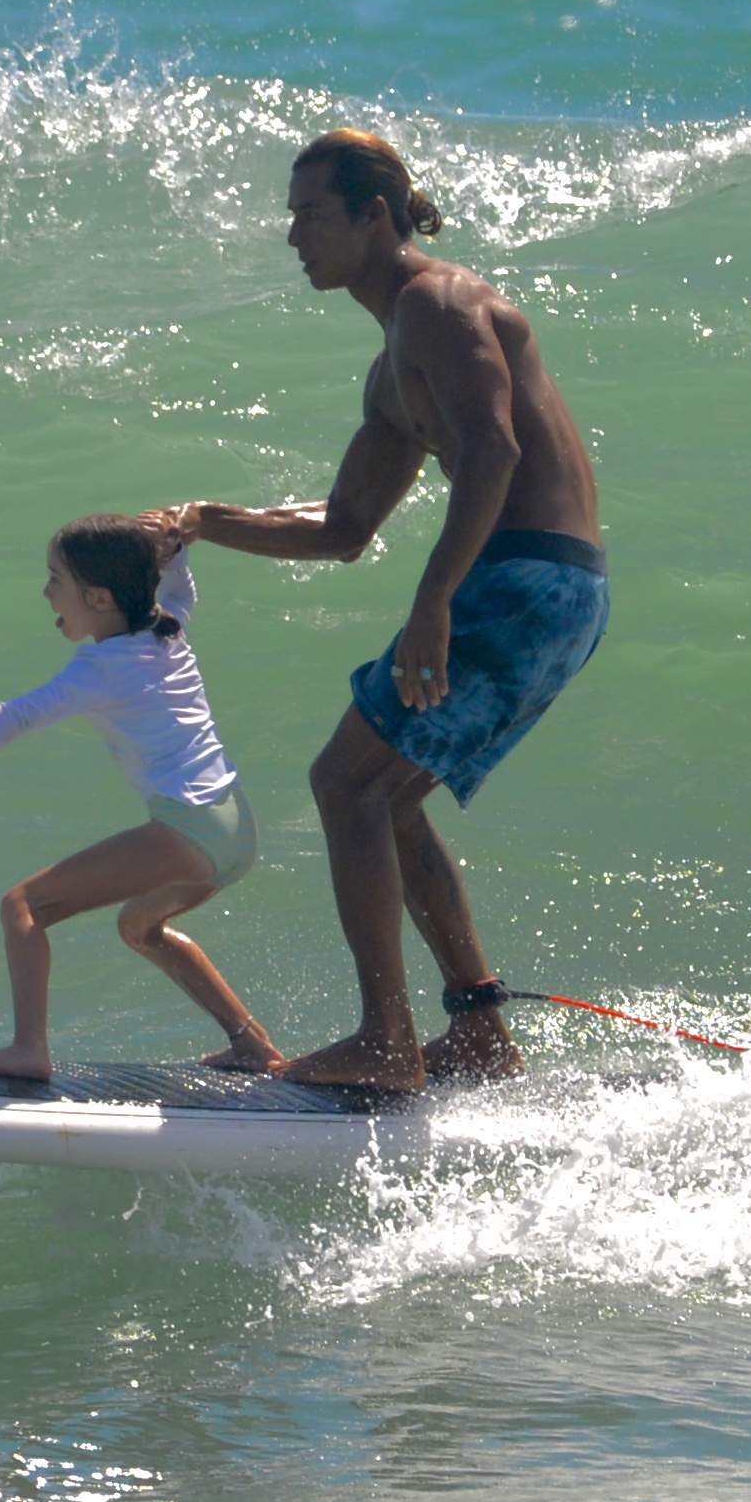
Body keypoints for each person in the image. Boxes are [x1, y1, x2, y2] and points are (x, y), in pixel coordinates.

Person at [149, 129, 607, 1096]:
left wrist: (434, 598)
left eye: (310, 214)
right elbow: (344, 527)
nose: (292, 237)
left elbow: (493, 450)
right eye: (290, 216)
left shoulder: (438, 303)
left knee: (345, 785)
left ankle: (387, 1041)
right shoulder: (392, 364)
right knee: (383, 795)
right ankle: (476, 1031)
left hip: (525, 578)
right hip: (547, 588)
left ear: (373, 215)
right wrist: (204, 522)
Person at [0, 515, 278, 1081]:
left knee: (22, 906)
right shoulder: (169, 628)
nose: (46, 593)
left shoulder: (99, 668)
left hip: (189, 827)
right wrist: (177, 548)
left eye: (55, 579)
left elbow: (19, 715)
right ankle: (251, 1043)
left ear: (98, 597)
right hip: (236, 828)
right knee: (139, 927)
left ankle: (28, 1049)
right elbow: (180, 589)